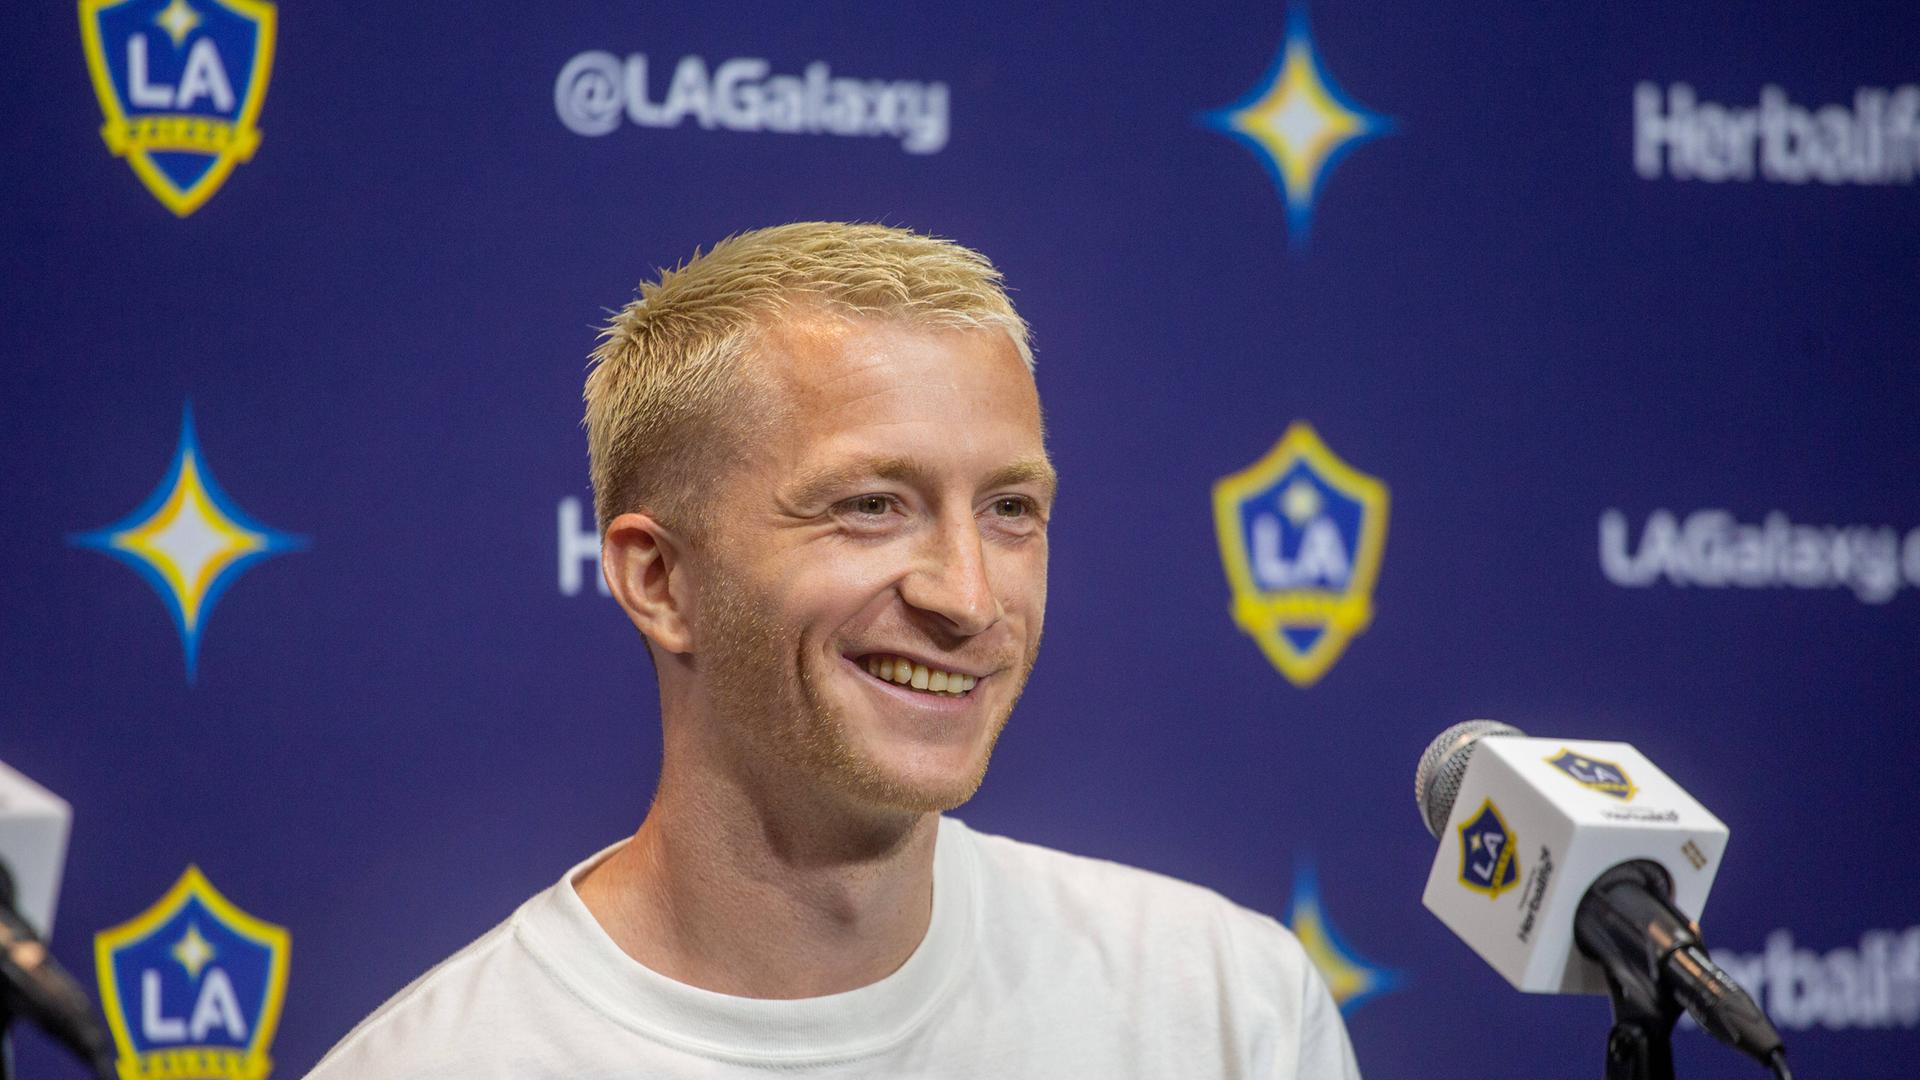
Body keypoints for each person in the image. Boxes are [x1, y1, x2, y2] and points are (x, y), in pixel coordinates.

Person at [306, 222, 1360, 1078]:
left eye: (1010, 508)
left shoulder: (1226, 1007)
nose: (969, 596)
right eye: (869, 505)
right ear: (656, 580)